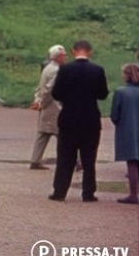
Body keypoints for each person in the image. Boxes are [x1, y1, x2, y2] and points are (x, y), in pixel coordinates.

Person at [49, 40, 109, 202]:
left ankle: (60, 191)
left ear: (73, 51)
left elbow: (56, 93)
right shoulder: (97, 70)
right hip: (90, 119)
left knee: (65, 157)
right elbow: (103, 94)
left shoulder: (65, 69)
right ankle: (88, 193)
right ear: (90, 51)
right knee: (89, 158)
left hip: (69, 118)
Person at [29, 45, 67, 170]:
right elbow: (49, 89)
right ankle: (74, 160)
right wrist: (43, 103)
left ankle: (35, 160)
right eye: (63, 55)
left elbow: (40, 87)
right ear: (57, 57)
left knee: (43, 134)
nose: (65, 57)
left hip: (47, 107)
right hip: (53, 107)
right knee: (63, 134)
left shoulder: (47, 68)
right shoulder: (56, 70)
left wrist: (38, 100)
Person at [111, 63, 139, 204]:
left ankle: (133, 194)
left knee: (132, 162)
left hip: (129, 129)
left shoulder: (120, 92)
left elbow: (115, 115)